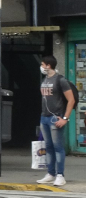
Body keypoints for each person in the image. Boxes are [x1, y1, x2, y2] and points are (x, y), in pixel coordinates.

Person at [37, 55, 76, 187]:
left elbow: (71, 100)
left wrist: (65, 118)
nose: (41, 67)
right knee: (48, 147)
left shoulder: (60, 80)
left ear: (48, 65)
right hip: (44, 117)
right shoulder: (45, 79)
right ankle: (50, 173)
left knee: (58, 147)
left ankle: (60, 175)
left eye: (43, 64)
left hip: (56, 117)